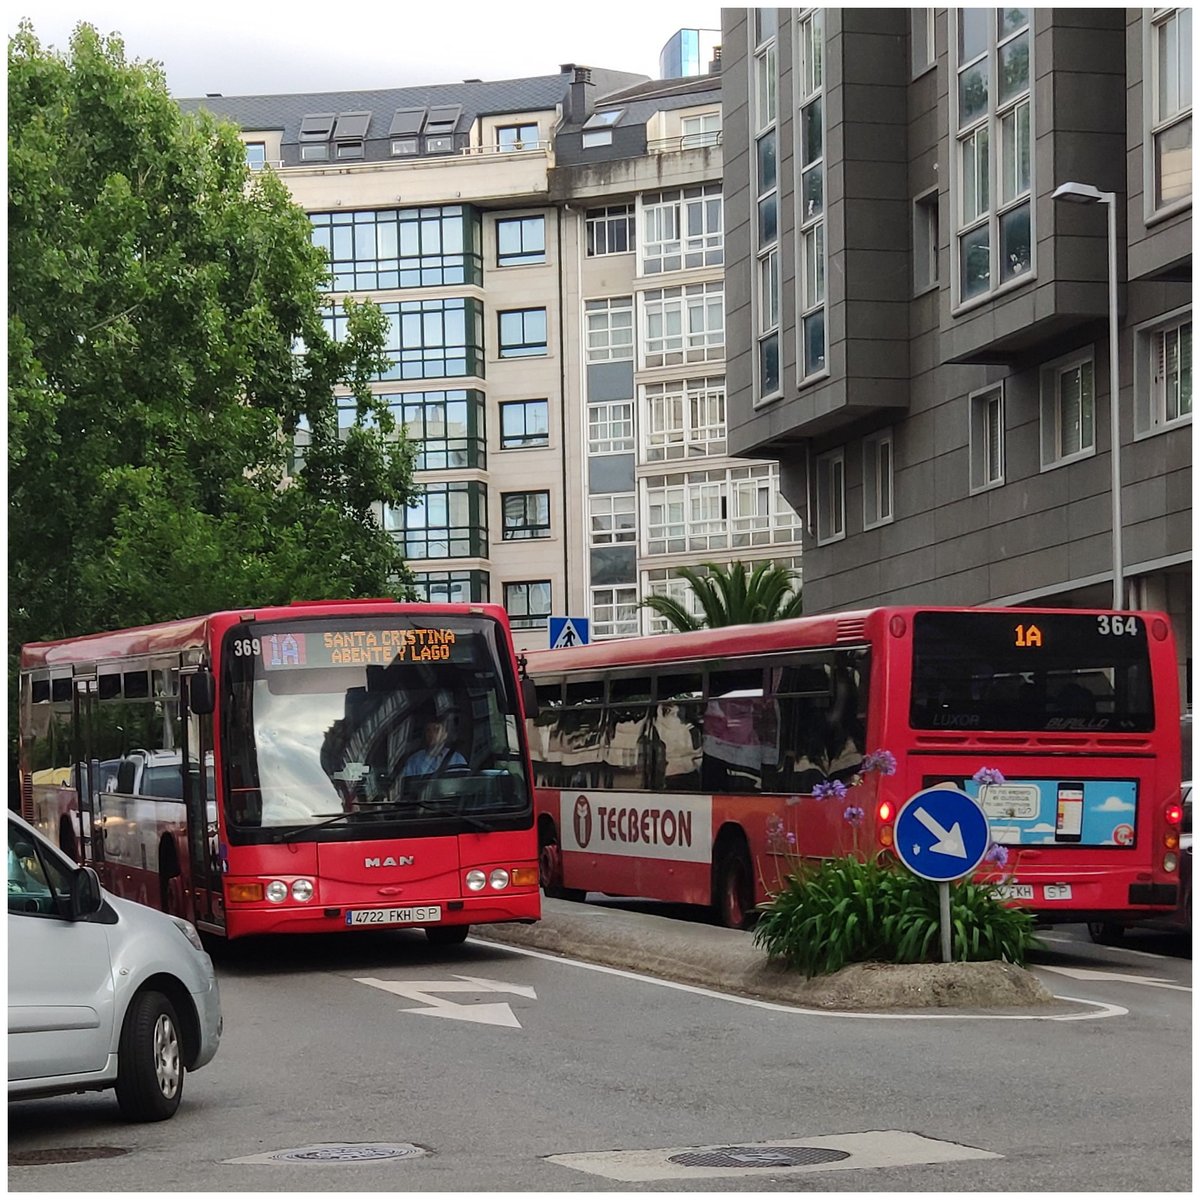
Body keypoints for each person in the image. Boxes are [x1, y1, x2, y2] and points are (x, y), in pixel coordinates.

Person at [402, 718, 466, 777]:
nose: (431, 734)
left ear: (445, 734)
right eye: (428, 730)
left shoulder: (457, 759)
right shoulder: (414, 760)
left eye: (436, 729)